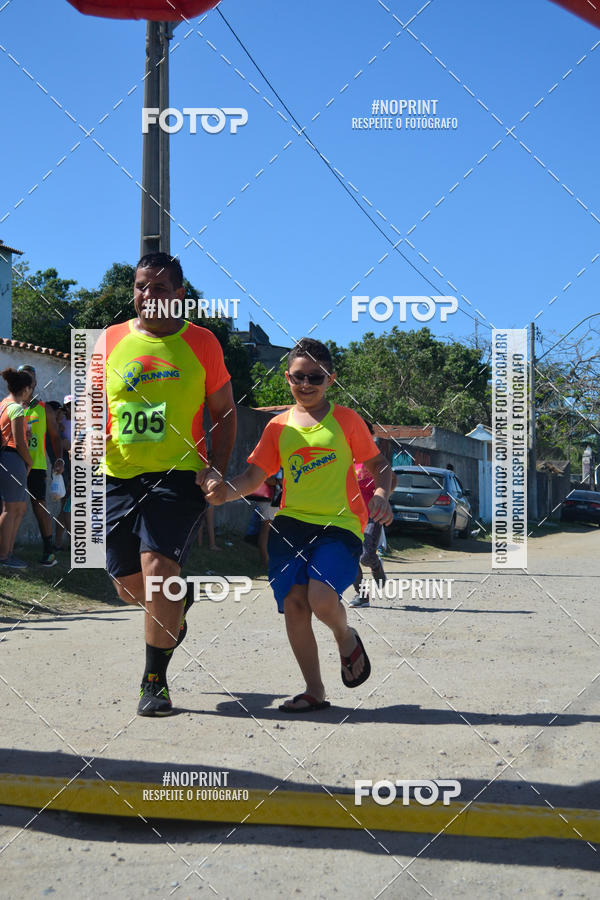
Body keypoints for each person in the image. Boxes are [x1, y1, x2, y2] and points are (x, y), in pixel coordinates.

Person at [207, 337, 393, 713]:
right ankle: (314, 690)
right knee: (295, 605)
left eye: (315, 377)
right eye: (298, 377)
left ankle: (345, 636)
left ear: (330, 379)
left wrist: (382, 496)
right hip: (291, 526)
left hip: (340, 525)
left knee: (321, 599)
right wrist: (222, 493)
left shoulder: (347, 421)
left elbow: (381, 467)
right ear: (287, 377)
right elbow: (250, 477)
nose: (305, 384)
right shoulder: (278, 427)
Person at [103, 252, 236, 717]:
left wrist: (216, 467)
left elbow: (223, 412)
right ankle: (177, 607)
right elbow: (92, 407)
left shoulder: (202, 343)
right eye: (141, 287)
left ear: (180, 295)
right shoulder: (109, 340)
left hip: (178, 476)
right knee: (127, 586)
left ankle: (153, 681)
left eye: (159, 288)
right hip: (116, 475)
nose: (148, 296)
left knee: (159, 572)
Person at [20, 366, 65, 567]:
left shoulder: (44, 408)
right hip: (13, 462)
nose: (27, 382)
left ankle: (48, 551)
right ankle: (6, 551)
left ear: (35, 383)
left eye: (31, 378)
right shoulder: (9, 406)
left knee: (39, 506)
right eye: (23, 377)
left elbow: (55, 437)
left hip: (36, 466)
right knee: (8, 507)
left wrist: (59, 459)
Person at [349, 422, 389, 608]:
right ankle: (362, 595)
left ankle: (375, 565)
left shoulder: (375, 459)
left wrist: (382, 499)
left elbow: (389, 482)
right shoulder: (342, 457)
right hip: (349, 516)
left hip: (373, 514)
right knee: (349, 557)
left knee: (365, 556)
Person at [0, 367, 34, 568]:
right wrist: (29, 461)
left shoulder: (3, 404)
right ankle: (4, 555)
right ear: (26, 389)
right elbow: (20, 443)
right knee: (10, 509)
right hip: (13, 460)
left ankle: (8, 552)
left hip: (6, 459)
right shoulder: (17, 409)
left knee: (14, 508)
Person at [53, 396, 72, 552]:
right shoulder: (61, 424)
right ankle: (72, 542)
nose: (71, 408)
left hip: (79, 466)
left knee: (67, 506)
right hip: (67, 467)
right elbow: (64, 445)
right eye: (68, 406)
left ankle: (59, 542)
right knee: (67, 505)